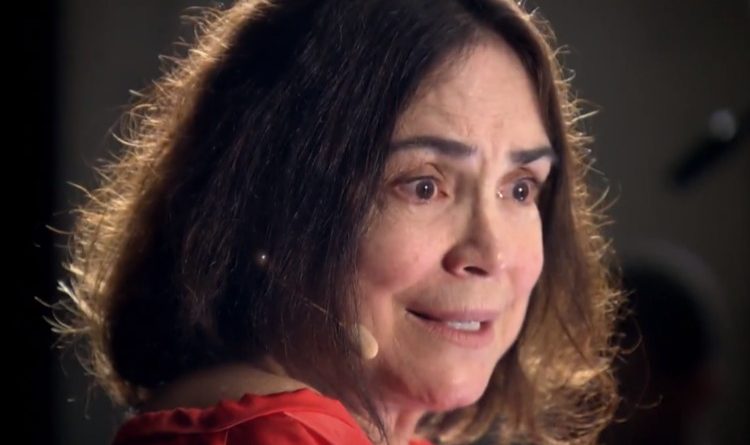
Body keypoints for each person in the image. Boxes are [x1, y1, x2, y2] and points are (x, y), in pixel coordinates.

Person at [55, 0, 621, 443]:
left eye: (520, 188)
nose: (491, 253)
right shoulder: (274, 436)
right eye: (423, 186)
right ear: (272, 203)